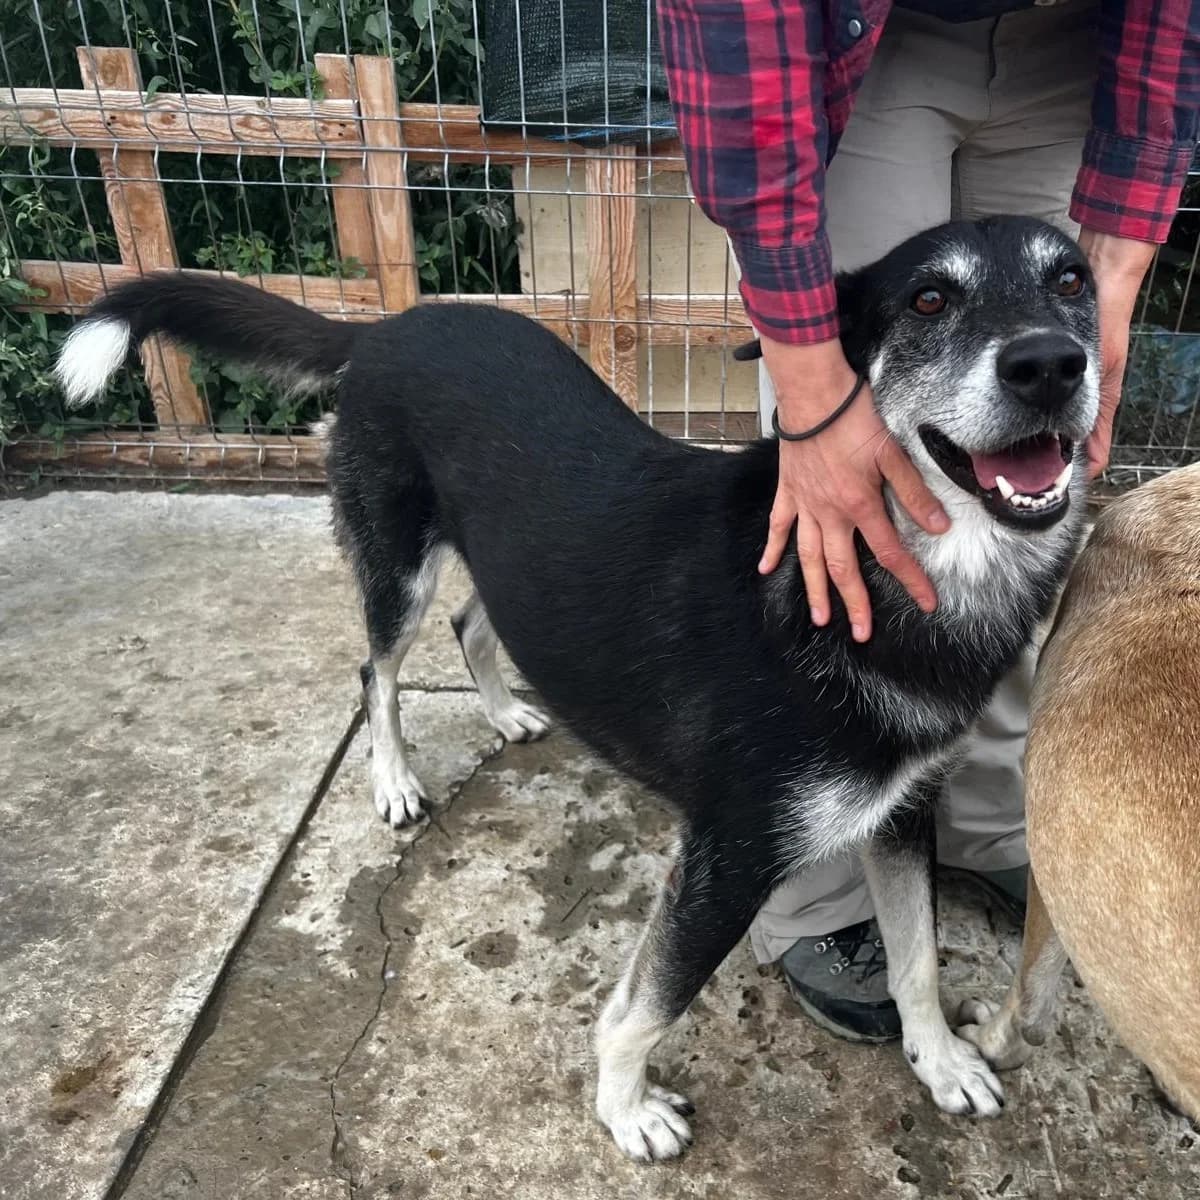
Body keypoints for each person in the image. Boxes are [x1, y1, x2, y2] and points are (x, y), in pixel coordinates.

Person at [656, 0, 1200, 1041]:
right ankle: (810, 887)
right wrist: (812, 395)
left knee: (1019, 455)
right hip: (856, 35)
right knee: (847, 481)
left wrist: (1116, 275)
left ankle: (988, 817)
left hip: (1078, 38)